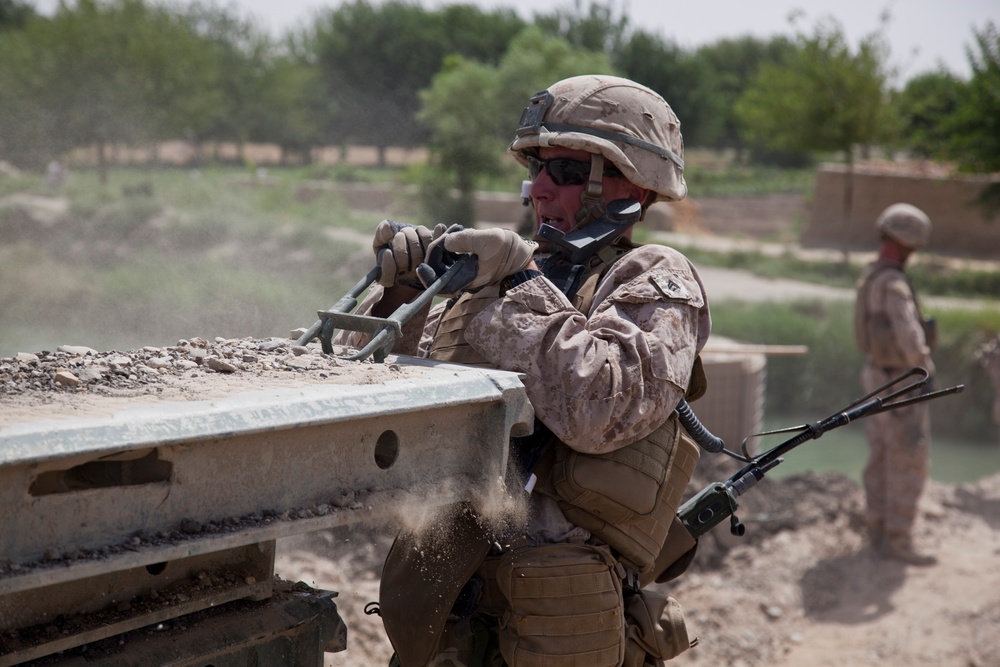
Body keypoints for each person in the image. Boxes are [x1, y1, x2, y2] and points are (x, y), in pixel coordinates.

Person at [338, 75, 712, 666]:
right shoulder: (514, 277)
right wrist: (400, 300)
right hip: (454, 600)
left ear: (632, 185)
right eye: (536, 167)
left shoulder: (649, 276)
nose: (537, 189)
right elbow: (387, 406)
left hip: (555, 616)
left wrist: (515, 282)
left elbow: (602, 410)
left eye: (564, 171)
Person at [854, 203, 937, 566]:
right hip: (902, 384)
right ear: (910, 244)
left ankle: (877, 527)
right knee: (909, 459)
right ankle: (898, 539)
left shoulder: (871, 277)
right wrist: (926, 368)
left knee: (881, 456)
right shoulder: (895, 285)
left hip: (876, 377)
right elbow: (910, 336)